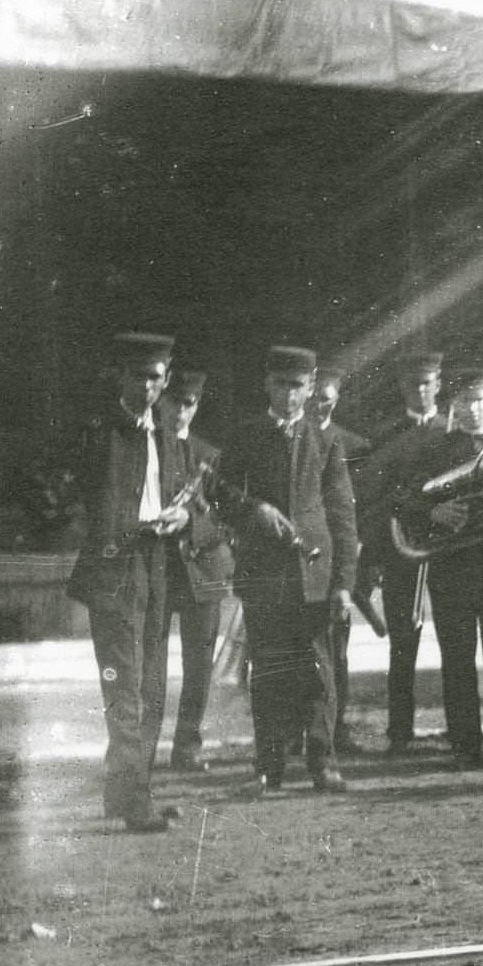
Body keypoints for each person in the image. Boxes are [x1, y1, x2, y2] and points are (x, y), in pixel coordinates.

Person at [214, 345, 358, 795]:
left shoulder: (327, 441)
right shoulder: (245, 435)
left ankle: (323, 762)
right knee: (270, 671)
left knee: (320, 672)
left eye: (298, 386)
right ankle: (267, 766)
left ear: (311, 387)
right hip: (264, 573)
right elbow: (217, 494)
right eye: (281, 384)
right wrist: (252, 508)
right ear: (267, 385)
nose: (289, 395)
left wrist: (344, 584)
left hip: (315, 577)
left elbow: (341, 517)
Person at [66, 331, 192, 832]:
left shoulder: (165, 433)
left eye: (156, 377)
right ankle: (134, 798)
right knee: (124, 686)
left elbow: (186, 495)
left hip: (157, 565)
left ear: (165, 381)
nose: (147, 386)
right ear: (121, 377)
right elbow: (87, 496)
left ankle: (125, 791)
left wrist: (184, 521)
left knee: (152, 683)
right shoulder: (100, 432)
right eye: (138, 375)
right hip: (116, 569)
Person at [405, 366, 483, 769]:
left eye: (480, 400)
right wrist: (434, 510)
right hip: (453, 570)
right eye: (464, 402)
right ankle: (465, 745)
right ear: (454, 406)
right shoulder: (436, 451)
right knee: (457, 661)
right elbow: (406, 502)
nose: (473, 409)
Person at [360, 352, 448, 750]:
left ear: (439, 385)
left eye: (428, 383)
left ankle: (462, 729)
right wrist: (376, 556)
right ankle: (400, 731)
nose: (422, 390)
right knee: (403, 640)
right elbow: (374, 501)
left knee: (455, 640)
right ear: (403, 387)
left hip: (449, 548)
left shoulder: (453, 433)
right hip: (402, 547)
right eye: (414, 384)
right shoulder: (386, 435)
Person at [157, 367, 235, 773]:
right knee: (151, 663)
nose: (181, 412)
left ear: (197, 405)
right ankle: (145, 745)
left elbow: (227, 519)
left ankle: (187, 746)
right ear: (161, 401)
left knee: (198, 664)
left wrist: (192, 523)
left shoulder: (209, 455)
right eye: (174, 402)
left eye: (189, 404)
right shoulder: (147, 448)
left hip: (203, 570)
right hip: (157, 570)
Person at [309, 364, 371, 755]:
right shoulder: (292, 439)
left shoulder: (352, 445)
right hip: (300, 561)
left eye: (326, 401)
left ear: (337, 401)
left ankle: (337, 726)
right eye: (314, 399)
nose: (319, 408)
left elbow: (360, 508)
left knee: (336, 650)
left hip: (342, 558)